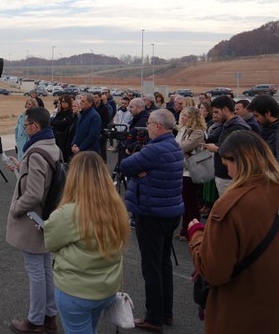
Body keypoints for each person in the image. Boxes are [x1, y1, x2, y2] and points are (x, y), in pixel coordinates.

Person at [187, 131, 279, 334]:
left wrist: (196, 235)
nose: (229, 173)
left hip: (246, 317)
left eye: (228, 165)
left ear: (238, 161)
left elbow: (213, 270)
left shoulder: (231, 204)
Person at [43, 151, 130, 334]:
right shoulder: (116, 208)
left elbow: (50, 243)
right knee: (89, 327)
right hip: (107, 288)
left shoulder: (68, 214)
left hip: (76, 290)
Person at [120, 109, 184, 332]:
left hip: (152, 213)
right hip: (170, 211)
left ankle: (153, 317)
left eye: (148, 124)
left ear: (157, 126)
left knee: (151, 268)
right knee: (164, 264)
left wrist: (139, 169)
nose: (146, 127)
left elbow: (126, 166)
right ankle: (166, 312)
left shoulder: (155, 150)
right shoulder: (174, 145)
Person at [6, 107, 61, 334]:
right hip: (46, 216)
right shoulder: (52, 147)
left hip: (33, 218)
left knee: (36, 271)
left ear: (35, 127)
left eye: (26, 125)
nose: (24, 128)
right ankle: (49, 316)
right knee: (45, 267)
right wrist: (21, 169)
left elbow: (34, 194)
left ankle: (35, 320)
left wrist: (16, 208)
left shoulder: (35, 153)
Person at [204, 95, 250, 196]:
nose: (214, 115)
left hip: (229, 176)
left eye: (217, 111)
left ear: (225, 109)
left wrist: (216, 149)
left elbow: (237, 152)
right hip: (224, 174)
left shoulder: (237, 126)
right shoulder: (227, 124)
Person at [175, 107, 207, 241]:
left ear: (193, 118)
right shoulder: (183, 130)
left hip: (191, 171)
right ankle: (185, 228)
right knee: (184, 201)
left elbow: (181, 147)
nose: (182, 118)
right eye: (182, 115)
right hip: (182, 169)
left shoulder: (198, 133)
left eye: (186, 116)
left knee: (190, 203)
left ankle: (193, 231)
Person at [50, 95, 75, 162]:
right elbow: (53, 122)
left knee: (63, 159)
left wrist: (55, 122)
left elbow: (63, 124)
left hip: (64, 140)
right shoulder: (60, 112)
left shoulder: (70, 113)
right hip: (56, 138)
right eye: (62, 102)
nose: (63, 103)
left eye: (64, 102)